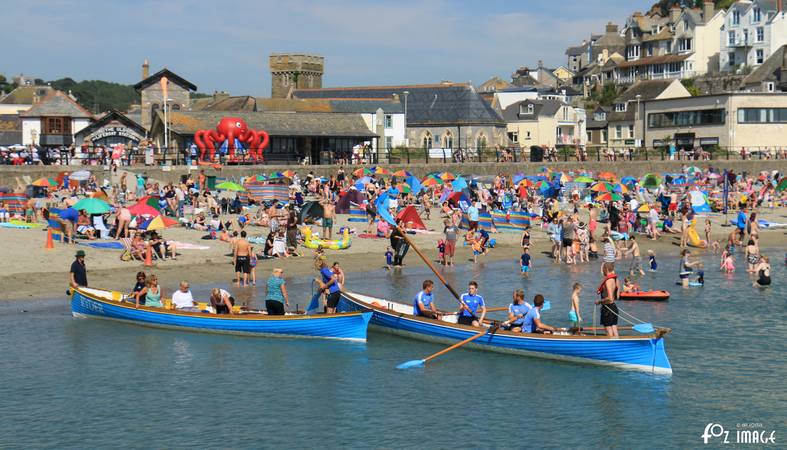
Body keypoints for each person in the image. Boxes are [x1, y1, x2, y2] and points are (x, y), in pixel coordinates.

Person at [596, 262, 620, 337]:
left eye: (603, 269)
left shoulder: (608, 281)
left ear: (606, 269)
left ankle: (612, 345)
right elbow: (617, 297)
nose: (602, 271)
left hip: (607, 309)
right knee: (614, 328)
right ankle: (617, 345)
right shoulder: (616, 280)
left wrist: (599, 301)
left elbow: (609, 298)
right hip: (614, 307)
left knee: (609, 330)